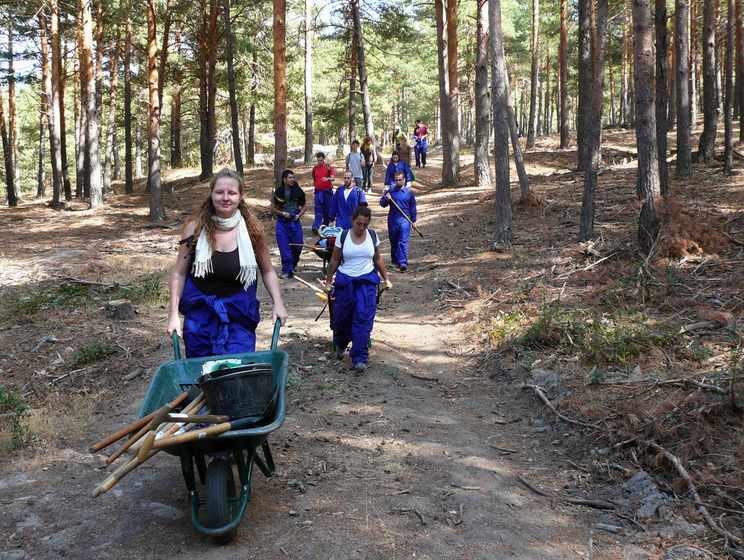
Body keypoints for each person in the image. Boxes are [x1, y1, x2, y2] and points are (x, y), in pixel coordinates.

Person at [167, 168, 288, 358]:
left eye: (231, 193)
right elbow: (179, 273)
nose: (225, 197)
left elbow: (268, 271)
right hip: (200, 316)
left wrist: (278, 303)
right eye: (219, 192)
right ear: (211, 194)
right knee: (202, 369)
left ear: (240, 196)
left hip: (239, 313)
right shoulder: (194, 229)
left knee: (236, 368)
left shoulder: (252, 231)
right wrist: (173, 314)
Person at [324, 206, 392, 371]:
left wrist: (386, 278)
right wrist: (328, 281)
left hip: (366, 283)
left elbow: (377, 259)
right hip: (345, 283)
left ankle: (360, 357)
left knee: (363, 318)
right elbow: (334, 260)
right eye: (359, 224)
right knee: (342, 318)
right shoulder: (343, 236)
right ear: (353, 221)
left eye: (365, 225)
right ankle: (341, 343)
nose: (361, 228)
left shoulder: (372, 236)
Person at [272, 169, 307, 279]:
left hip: (295, 223)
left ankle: (293, 264)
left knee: (298, 246)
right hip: (282, 224)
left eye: (293, 177)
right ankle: (287, 271)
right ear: (284, 179)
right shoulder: (279, 192)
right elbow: (274, 208)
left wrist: (299, 215)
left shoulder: (298, 191)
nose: (292, 179)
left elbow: (304, 206)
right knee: (284, 249)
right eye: (290, 177)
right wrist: (282, 213)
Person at [380, 171, 417, 273]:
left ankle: (403, 262)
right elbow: (382, 204)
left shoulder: (409, 193)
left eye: (400, 179)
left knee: (403, 241)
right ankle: (395, 260)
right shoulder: (390, 191)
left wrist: (413, 221)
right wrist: (386, 198)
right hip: (393, 220)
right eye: (396, 180)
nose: (398, 181)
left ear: (404, 180)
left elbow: (413, 208)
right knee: (394, 241)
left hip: (405, 220)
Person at [311, 152, 335, 235]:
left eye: (321, 160)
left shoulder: (328, 167)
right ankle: (316, 226)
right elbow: (314, 178)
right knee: (318, 209)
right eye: (318, 160)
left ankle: (325, 226)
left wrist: (327, 179)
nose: (319, 162)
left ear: (324, 159)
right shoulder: (315, 168)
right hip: (318, 192)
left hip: (327, 192)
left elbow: (333, 178)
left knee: (327, 210)